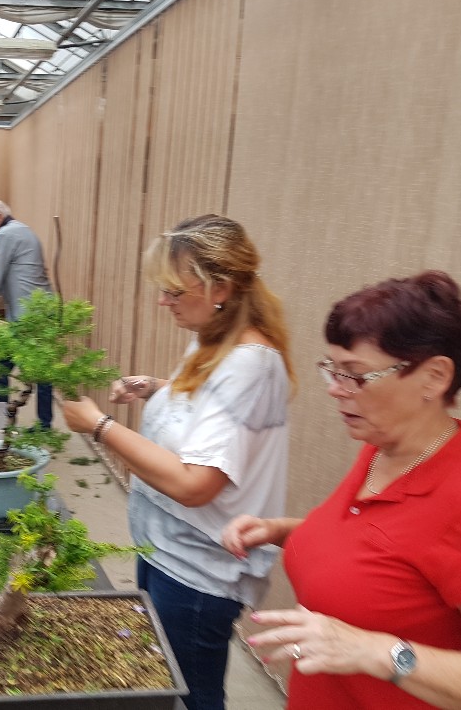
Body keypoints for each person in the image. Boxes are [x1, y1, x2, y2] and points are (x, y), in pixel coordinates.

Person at [221, 270, 461, 709]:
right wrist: (282, 530)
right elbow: (386, 554)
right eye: (331, 369)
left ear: (434, 377)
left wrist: (378, 651)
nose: (334, 389)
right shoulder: (382, 450)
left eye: (356, 375)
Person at [61, 215, 295, 710]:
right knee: (166, 676)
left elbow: (195, 485)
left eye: (173, 291)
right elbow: (209, 409)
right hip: (165, 549)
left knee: (193, 695)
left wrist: (101, 426)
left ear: (220, 289)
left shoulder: (249, 366)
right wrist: (155, 388)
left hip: (197, 571)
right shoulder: (214, 338)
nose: (162, 302)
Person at [0, 199, 54, 429]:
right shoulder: (21, 230)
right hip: (39, 312)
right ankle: (41, 424)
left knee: (0, 368)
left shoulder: (6, 234)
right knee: (40, 371)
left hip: (28, 317)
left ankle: (4, 421)